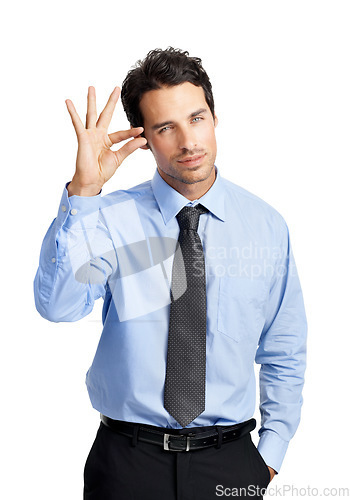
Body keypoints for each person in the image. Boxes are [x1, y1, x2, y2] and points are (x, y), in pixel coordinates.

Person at [34, 47, 307, 499]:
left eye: (197, 119)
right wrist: (83, 191)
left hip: (231, 463)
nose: (188, 142)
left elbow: (284, 348)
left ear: (214, 118)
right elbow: (57, 306)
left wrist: (270, 455)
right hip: (126, 463)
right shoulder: (108, 217)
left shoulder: (265, 225)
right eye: (166, 128)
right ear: (143, 139)